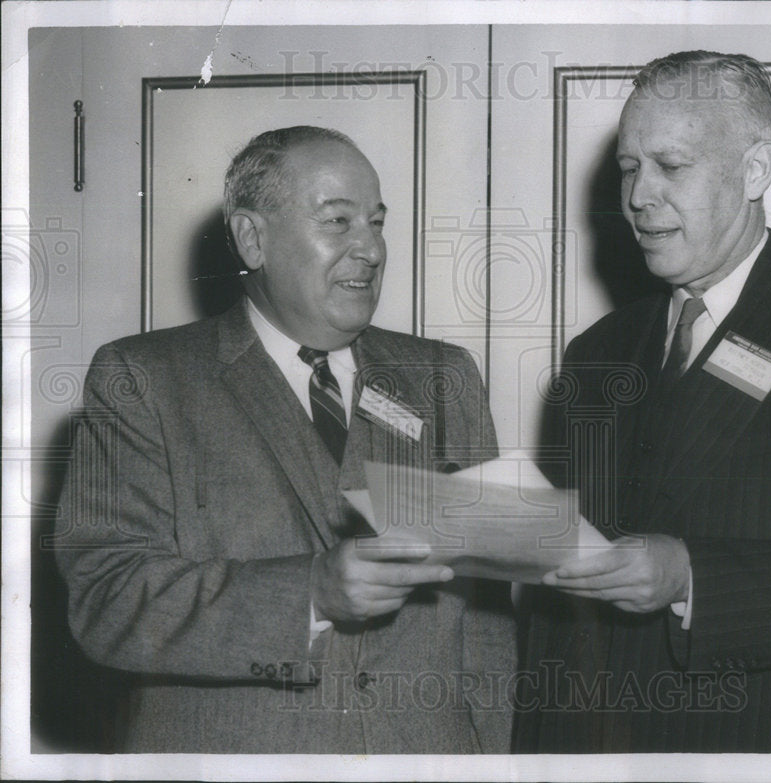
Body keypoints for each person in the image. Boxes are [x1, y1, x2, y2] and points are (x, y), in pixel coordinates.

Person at [513, 51, 771, 753]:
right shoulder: (595, 355)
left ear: (755, 170)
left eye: (669, 166)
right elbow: (560, 612)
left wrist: (692, 577)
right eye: (627, 167)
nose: (638, 196)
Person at [55, 126, 514, 754]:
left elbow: (488, 622)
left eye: (376, 223)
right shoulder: (144, 379)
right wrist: (310, 594)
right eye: (338, 221)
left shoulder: (445, 377)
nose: (371, 249)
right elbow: (108, 602)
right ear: (253, 238)